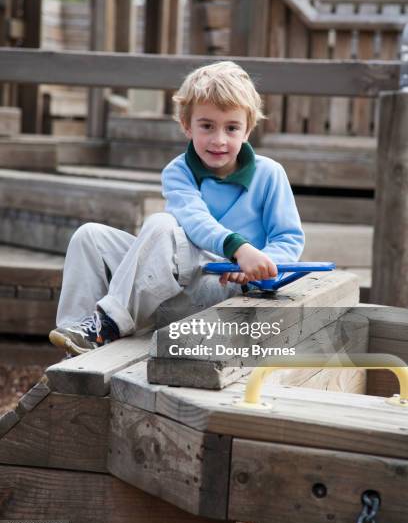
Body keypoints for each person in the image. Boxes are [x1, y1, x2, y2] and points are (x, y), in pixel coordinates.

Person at [49, 61, 305, 356]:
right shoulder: (178, 171)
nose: (219, 139)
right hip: (172, 287)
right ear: (187, 125)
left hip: (223, 296)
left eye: (232, 128)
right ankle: (77, 342)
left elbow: (289, 240)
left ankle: (109, 322)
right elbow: (194, 220)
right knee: (90, 236)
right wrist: (239, 248)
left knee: (160, 223)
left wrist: (256, 266)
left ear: (247, 130)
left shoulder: (270, 174)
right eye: (207, 126)